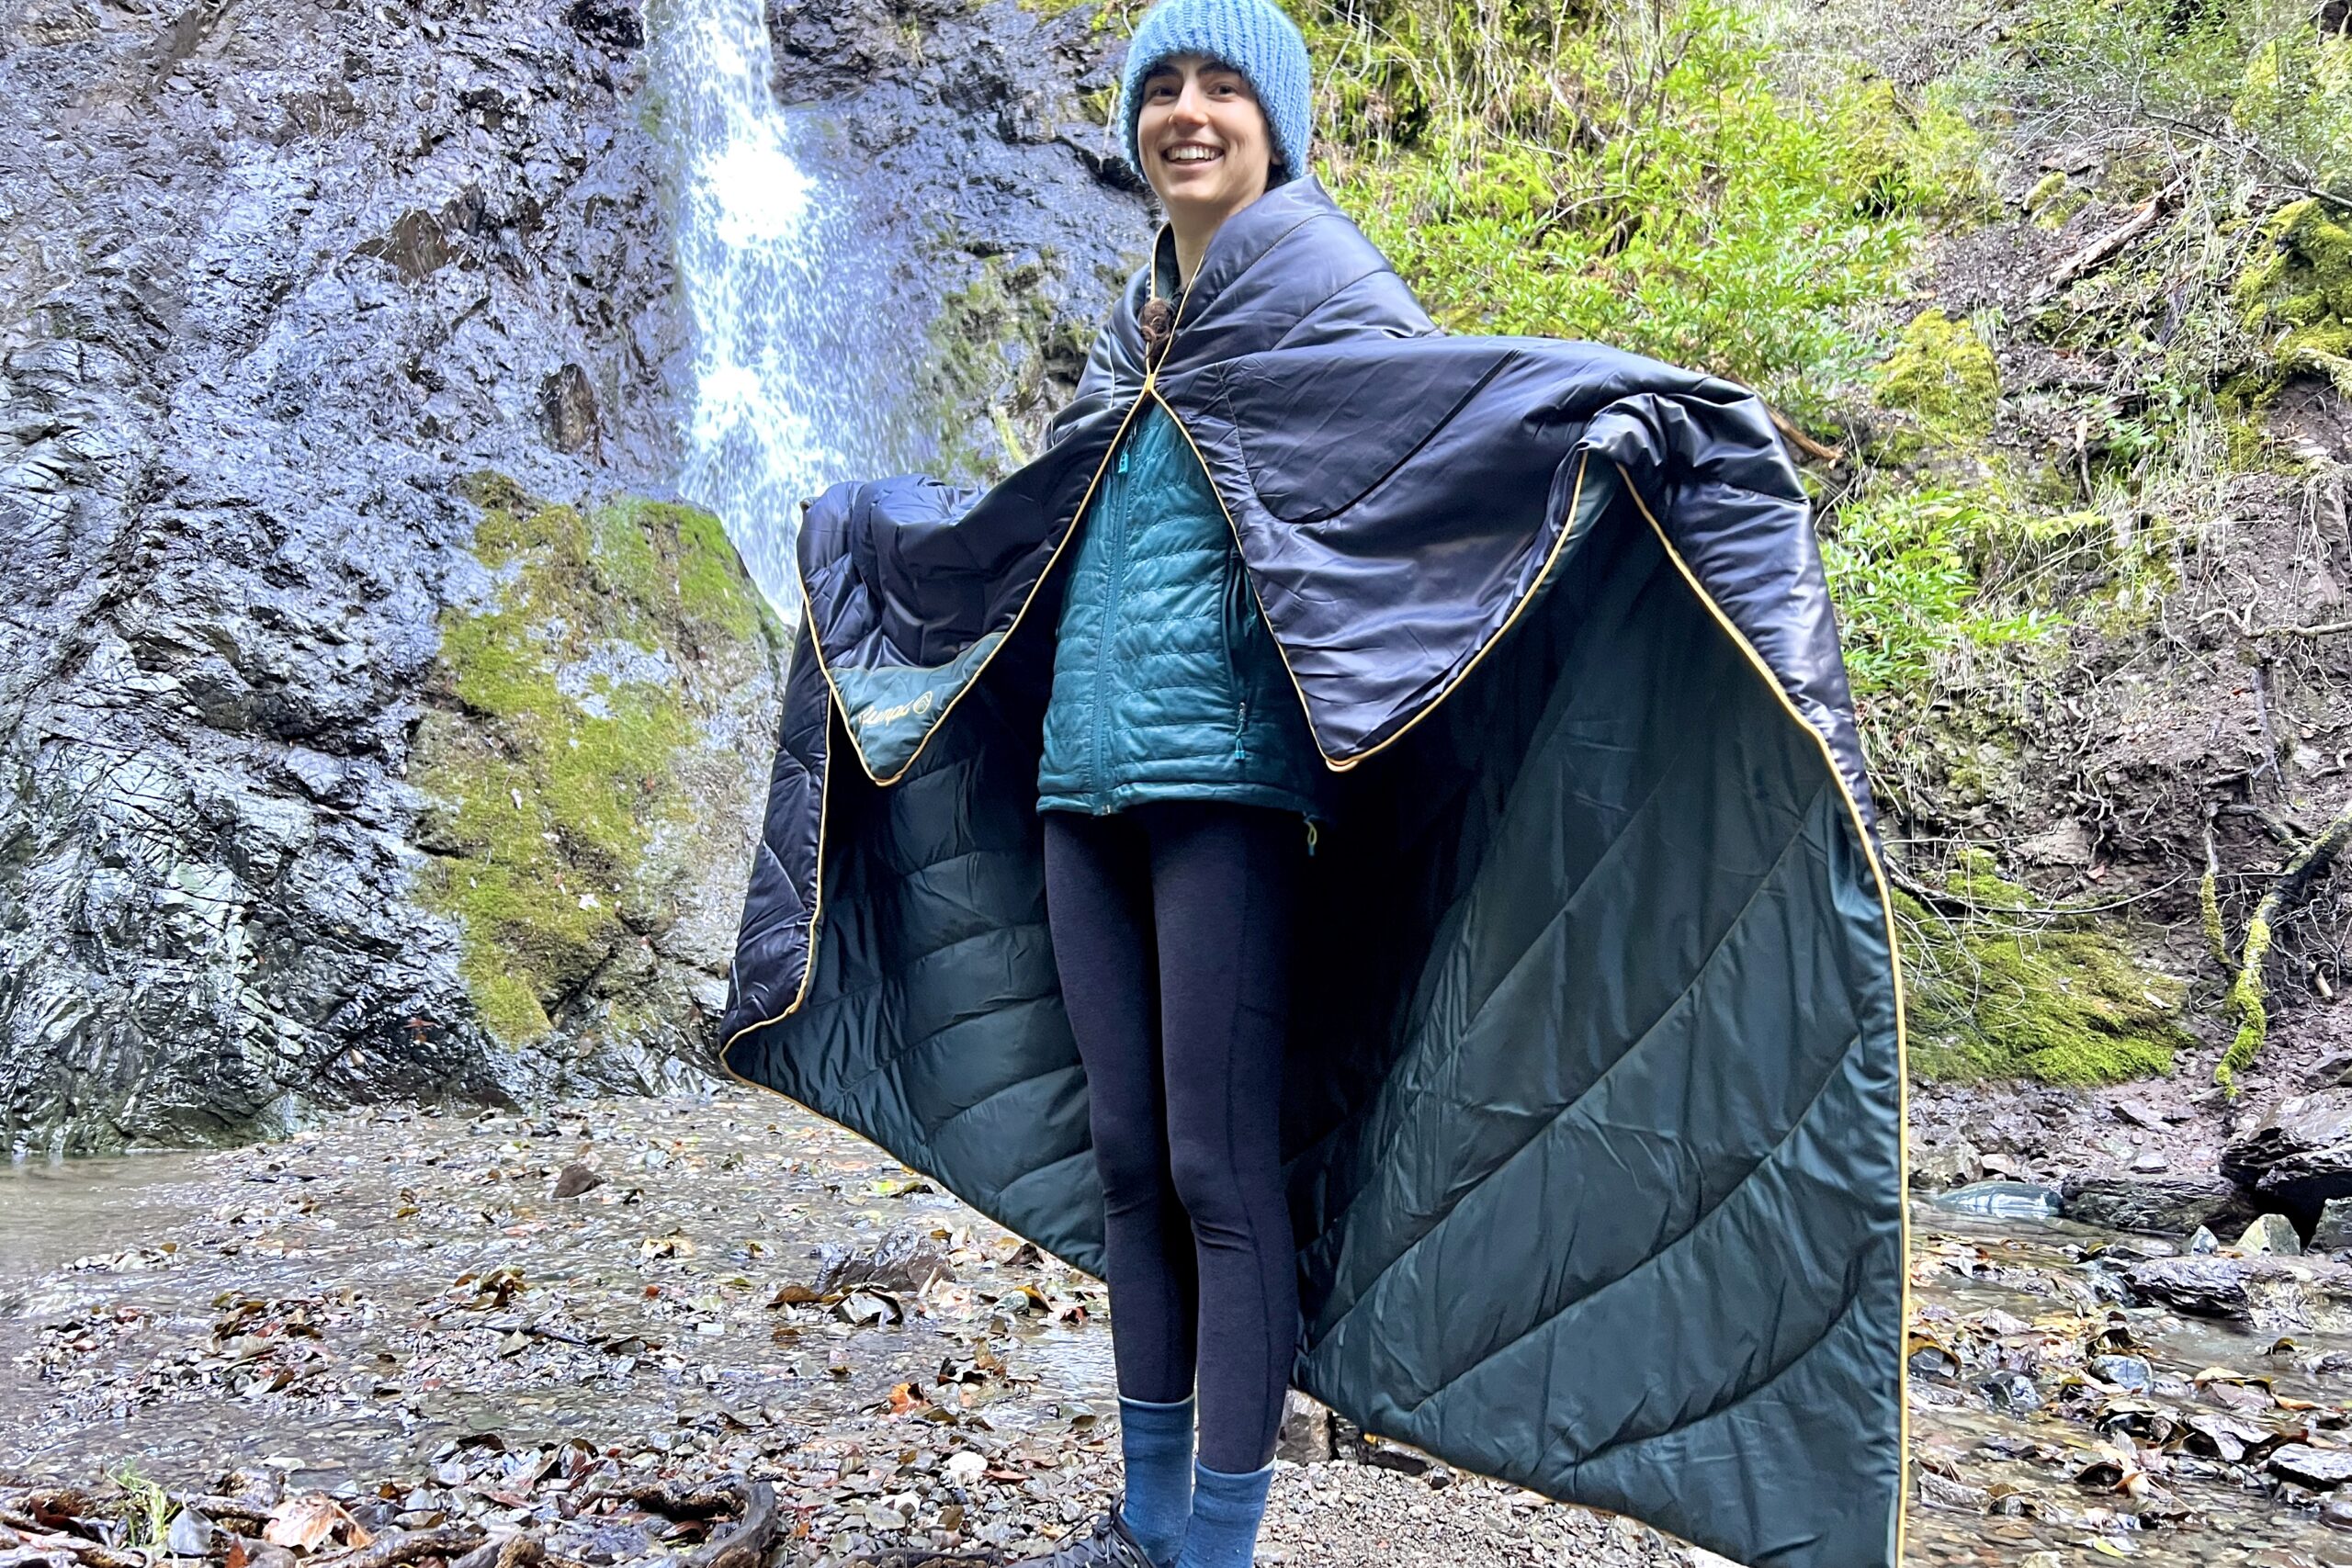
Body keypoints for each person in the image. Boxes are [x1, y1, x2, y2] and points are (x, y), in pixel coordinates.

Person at [1012, 3, 1326, 1566]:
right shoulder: (1127, 332)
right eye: (1163, 90)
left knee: (1215, 1162)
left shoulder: (1329, 297)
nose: (1188, 114)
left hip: (1235, 786)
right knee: (1130, 1159)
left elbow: (1442, 451)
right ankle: (1144, 1528)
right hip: (1087, 780)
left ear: (1278, 126)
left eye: (1223, 89)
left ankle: (1219, 1545)